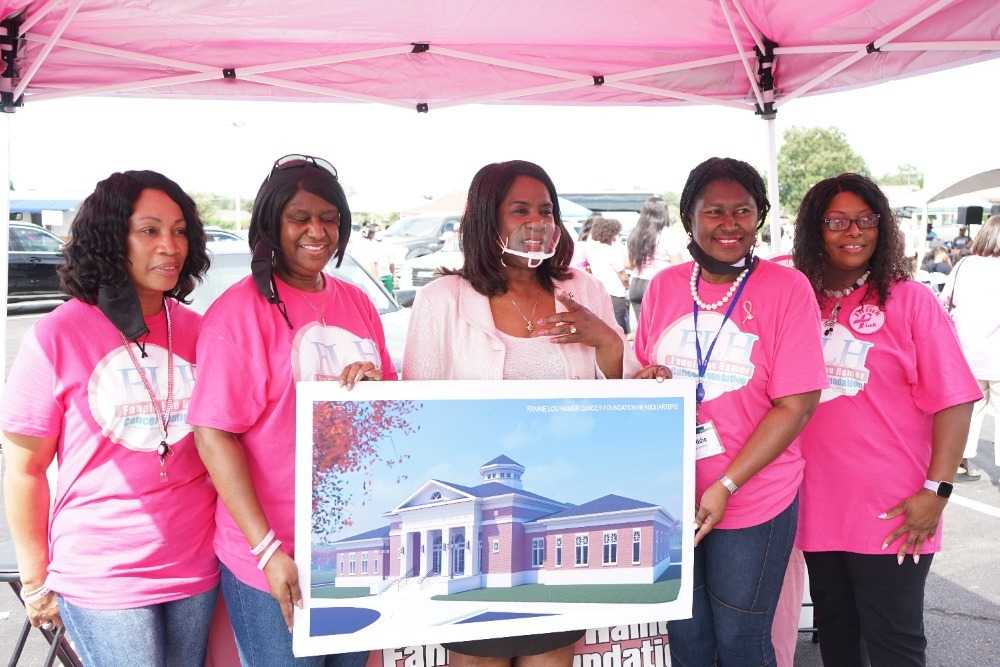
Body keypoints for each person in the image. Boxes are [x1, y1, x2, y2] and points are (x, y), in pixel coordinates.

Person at [403, 159, 637, 667]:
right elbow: (417, 410)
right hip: (472, 538)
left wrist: (604, 339)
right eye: (520, 210)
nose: (538, 222)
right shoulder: (443, 298)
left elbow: (620, 399)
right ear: (489, 219)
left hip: (552, 523)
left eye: (546, 210)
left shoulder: (583, 290)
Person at [0, 170, 218, 666]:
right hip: (102, 571)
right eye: (149, 230)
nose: (170, 245)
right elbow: (24, 468)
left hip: (196, 563)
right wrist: (35, 580)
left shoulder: (199, 331)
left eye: (180, 230)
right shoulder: (59, 334)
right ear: (111, 238)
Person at [188, 154, 394, 666]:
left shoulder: (358, 303)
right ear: (271, 224)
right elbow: (213, 436)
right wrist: (266, 552)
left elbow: (391, 411)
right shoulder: (237, 314)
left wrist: (376, 389)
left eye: (329, 218)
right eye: (300, 218)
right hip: (274, 558)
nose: (317, 231)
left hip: (352, 549)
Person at [633, 157, 826, 666]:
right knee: (689, 642)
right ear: (689, 217)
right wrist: (648, 380)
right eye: (714, 210)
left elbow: (797, 404)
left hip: (753, 496)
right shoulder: (664, 287)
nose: (730, 223)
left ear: (759, 216)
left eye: (743, 210)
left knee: (741, 641)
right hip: (673, 496)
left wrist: (727, 485)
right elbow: (646, 372)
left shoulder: (788, 289)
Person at [792, 173, 980, 667]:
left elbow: (956, 400)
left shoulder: (910, 300)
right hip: (816, 506)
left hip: (896, 511)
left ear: (882, 226)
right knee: (837, 637)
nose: (853, 231)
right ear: (815, 228)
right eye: (836, 221)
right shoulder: (798, 299)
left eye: (865, 219)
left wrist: (937, 490)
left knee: (894, 643)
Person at [941, 214, 1000, 479]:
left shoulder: (964, 264)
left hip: (965, 352)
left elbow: (944, 302)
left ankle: (962, 461)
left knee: (971, 408)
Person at [626, 195, 671, 320]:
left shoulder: (636, 234)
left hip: (636, 284)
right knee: (659, 330)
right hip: (658, 284)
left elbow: (628, 264)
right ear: (664, 213)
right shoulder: (667, 234)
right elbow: (678, 265)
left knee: (642, 330)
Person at [585, 217, 630, 334]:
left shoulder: (592, 250)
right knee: (620, 330)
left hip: (600, 293)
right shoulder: (612, 251)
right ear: (611, 233)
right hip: (616, 294)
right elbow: (623, 275)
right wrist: (627, 285)